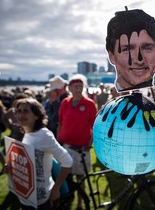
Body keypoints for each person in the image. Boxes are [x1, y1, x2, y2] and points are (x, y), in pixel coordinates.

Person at [13, 98, 73, 209]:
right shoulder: (27, 132)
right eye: (19, 111)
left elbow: (67, 161)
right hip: (26, 196)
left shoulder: (44, 135)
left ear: (36, 116)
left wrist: (56, 189)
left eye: (26, 111)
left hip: (41, 200)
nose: (21, 115)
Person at [57, 74, 97, 209]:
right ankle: (67, 201)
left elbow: (94, 127)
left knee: (81, 178)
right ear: (70, 88)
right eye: (75, 87)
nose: (78, 89)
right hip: (67, 147)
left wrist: (89, 144)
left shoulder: (90, 104)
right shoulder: (65, 103)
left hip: (81, 148)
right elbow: (60, 123)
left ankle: (81, 203)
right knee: (66, 177)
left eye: (80, 86)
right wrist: (59, 141)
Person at [106, 8, 155, 92]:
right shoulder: (113, 105)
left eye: (147, 48)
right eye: (127, 49)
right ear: (111, 56)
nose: (139, 60)